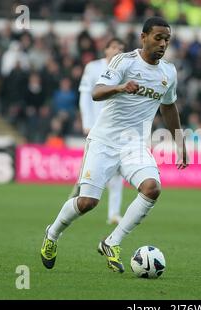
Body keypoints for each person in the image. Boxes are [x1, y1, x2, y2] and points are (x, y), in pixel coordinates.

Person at [40, 17, 188, 273]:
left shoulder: (168, 72)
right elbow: (96, 92)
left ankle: (112, 241)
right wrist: (120, 87)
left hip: (135, 145)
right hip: (104, 141)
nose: (163, 44)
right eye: (158, 38)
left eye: (167, 39)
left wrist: (179, 142)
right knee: (87, 202)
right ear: (143, 37)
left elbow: (168, 106)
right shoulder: (124, 61)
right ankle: (52, 234)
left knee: (152, 189)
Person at [76, 37, 125, 225]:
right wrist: (86, 122)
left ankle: (113, 214)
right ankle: (78, 199)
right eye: (114, 47)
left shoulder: (125, 69)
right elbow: (85, 97)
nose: (117, 50)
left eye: (120, 48)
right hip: (96, 127)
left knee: (117, 171)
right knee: (90, 169)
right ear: (105, 50)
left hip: (115, 128)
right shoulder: (93, 67)